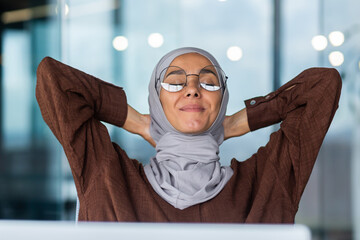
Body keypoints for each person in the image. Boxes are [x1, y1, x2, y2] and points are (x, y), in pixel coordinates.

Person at [36, 47, 341, 223]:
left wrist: (232, 124)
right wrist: (142, 122)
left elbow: (322, 87)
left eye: (209, 83)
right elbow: (55, 80)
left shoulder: (266, 183)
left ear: (222, 100)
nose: (192, 89)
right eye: (174, 82)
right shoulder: (107, 177)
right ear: (157, 100)